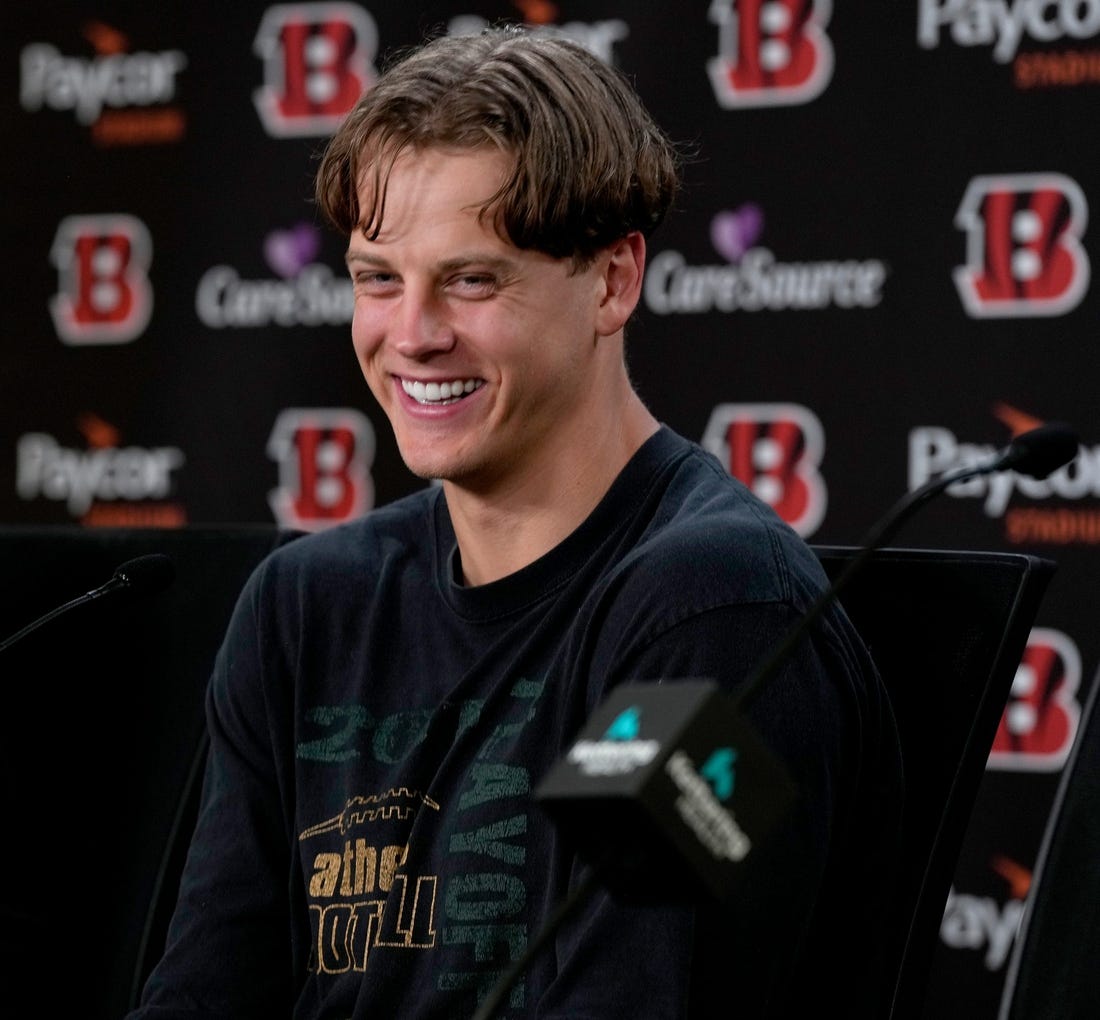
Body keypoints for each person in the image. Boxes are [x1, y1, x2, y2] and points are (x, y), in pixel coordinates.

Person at [128, 23, 903, 1019]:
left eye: (472, 279)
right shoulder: (304, 606)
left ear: (613, 282)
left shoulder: (707, 619)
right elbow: (204, 995)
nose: (412, 335)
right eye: (378, 278)